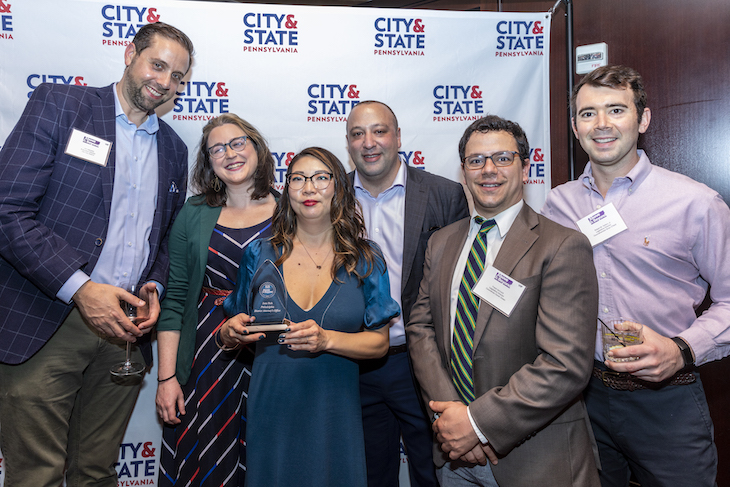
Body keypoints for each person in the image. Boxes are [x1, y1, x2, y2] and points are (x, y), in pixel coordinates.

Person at [0, 22, 193, 487]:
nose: (165, 82)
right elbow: (8, 211)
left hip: (124, 335)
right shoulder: (61, 105)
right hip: (48, 318)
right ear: (130, 54)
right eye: (158, 65)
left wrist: (154, 287)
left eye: (178, 77)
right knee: (36, 475)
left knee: (97, 472)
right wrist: (81, 289)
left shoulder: (174, 148)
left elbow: (163, 238)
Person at [542, 64, 730, 487]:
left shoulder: (695, 203)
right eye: (588, 113)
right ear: (575, 127)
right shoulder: (558, 205)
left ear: (642, 119)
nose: (602, 124)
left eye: (616, 110)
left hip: (667, 402)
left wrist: (683, 348)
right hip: (583, 397)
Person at [406, 115, 600, 486]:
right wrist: (455, 418)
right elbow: (421, 328)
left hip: (535, 457)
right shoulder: (441, 241)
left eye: (503, 158)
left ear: (525, 167)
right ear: (463, 171)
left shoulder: (561, 245)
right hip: (454, 457)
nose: (488, 170)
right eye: (476, 160)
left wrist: (479, 424)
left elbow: (566, 363)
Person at [220, 146, 400, 487]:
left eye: (320, 177)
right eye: (298, 178)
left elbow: (379, 344)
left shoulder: (365, 258)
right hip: (272, 403)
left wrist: (327, 339)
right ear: (287, 190)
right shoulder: (259, 253)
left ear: (338, 188)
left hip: (334, 407)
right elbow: (237, 330)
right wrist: (228, 334)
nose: (308, 187)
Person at [346, 100, 468, 487]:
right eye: (357, 134)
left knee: (433, 472)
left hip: (423, 362)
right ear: (347, 143)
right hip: (354, 363)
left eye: (379, 131)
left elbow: (461, 284)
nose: (369, 142)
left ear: (398, 138)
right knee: (369, 473)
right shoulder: (330, 199)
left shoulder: (444, 194)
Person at [154, 114, 277, 486]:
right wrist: (167, 377)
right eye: (217, 149)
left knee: (270, 455)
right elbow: (175, 299)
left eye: (238, 143)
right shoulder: (193, 213)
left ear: (256, 147)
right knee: (208, 460)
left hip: (275, 351)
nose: (230, 153)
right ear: (209, 162)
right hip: (207, 351)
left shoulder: (293, 208)